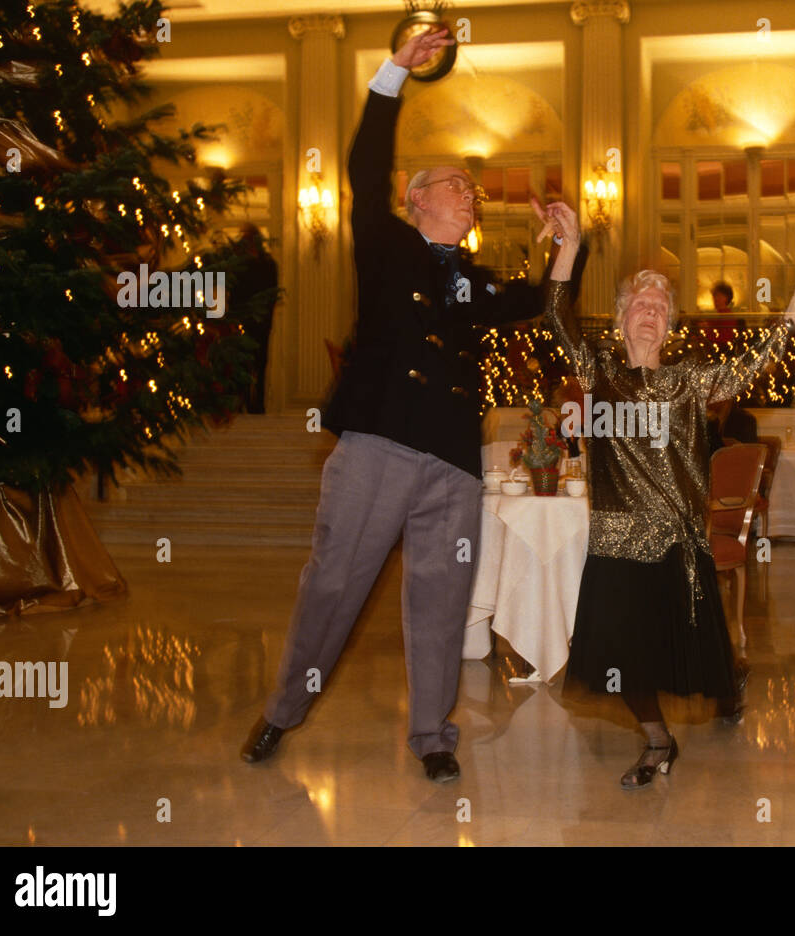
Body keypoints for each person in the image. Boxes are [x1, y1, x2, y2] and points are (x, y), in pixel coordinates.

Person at [240, 30, 575, 782]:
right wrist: (397, 69)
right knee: (334, 584)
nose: (472, 195)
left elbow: (539, 305)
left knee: (440, 600)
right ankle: (284, 710)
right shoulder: (386, 245)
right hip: (379, 447)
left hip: (453, 462)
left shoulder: (475, 284)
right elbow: (362, 163)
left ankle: (432, 735)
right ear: (415, 199)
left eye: (474, 191)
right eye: (458, 184)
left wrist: (567, 245)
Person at [542, 198, 795, 788]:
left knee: (702, 660)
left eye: (660, 305)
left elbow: (745, 371)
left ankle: (730, 692)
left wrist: (791, 313)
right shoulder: (598, 369)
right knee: (619, 658)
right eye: (639, 303)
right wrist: (571, 247)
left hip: (679, 541)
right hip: (614, 541)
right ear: (621, 316)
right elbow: (555, 313)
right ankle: (657, 739)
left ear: (672, 322)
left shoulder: (688, 376)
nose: (650, 310)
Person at [232, 222, 280, 414]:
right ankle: (246, 401)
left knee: (259, 363)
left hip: (259, 322)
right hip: (246, 322)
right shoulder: (242, 265)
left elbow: (271, 296)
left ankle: (257, 403)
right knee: (244, 363)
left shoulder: (267, 265)